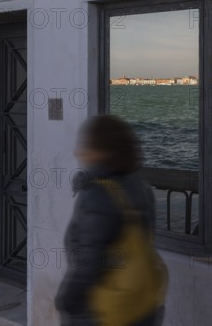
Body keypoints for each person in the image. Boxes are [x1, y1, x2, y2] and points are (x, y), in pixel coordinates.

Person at [55, 115, 167, 326]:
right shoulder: (139, 185)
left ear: (102, 151)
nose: (78, 151)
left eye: (86, 145)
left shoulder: (99, 194)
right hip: (142, 303)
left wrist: (67, 300)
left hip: (105, 309)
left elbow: (89, 260)